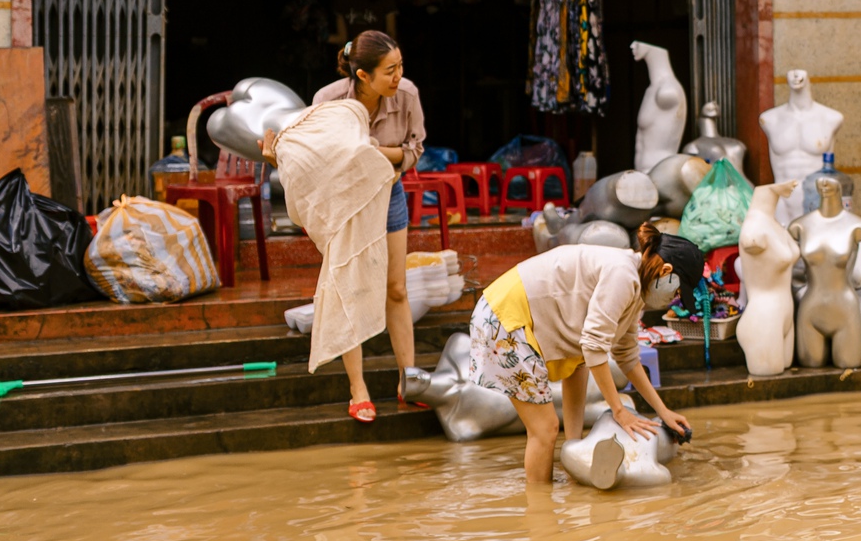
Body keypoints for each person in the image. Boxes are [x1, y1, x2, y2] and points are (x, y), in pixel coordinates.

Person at [262, 29, 426, 421]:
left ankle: (411, 379)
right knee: (348, 288)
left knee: (397, 288)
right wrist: (276, 155)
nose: (398, 76)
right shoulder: (328, 101)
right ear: (363, 76)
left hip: (389, 193)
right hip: (344, 203)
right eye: (390, 70)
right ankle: (358, 389)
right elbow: (310, 160)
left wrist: (369, 152)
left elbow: (414, 151)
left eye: (401, 65)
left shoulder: (408, 96)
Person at [453, 223, 694, 486]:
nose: (674, 299)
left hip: (513, 315)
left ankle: (572, 460)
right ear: (666, 272)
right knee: (544, 430)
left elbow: (626, 355)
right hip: (505, 319)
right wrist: (618, 410)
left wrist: (663, 410)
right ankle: (540, 509)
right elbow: (594, 346)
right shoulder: (623, 275)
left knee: (578, 364)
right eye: (678, 292)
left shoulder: (636, 288)